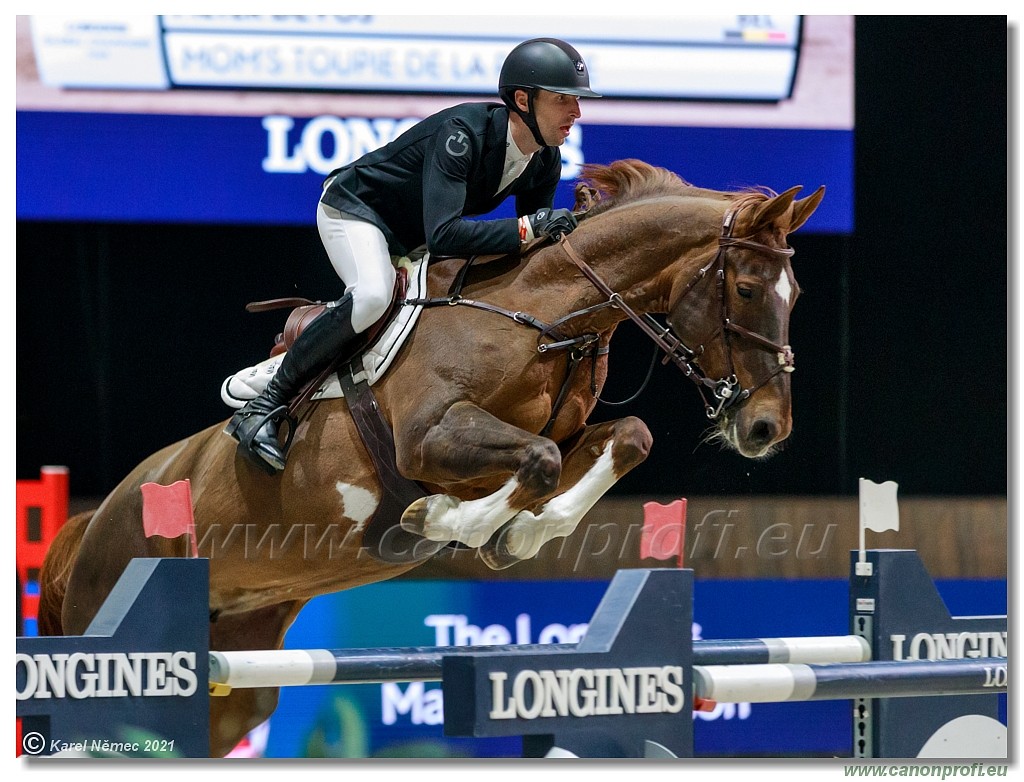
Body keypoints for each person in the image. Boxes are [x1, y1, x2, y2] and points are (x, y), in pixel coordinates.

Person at [226, 37, 600, 475]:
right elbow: (445, 236)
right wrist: (534, 227)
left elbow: (530, 248)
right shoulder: (461, 136)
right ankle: (263, 408)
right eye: (563, 100)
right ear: (523, 99)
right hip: (357, 210)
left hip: (411, 237)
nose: (576, 112)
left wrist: (577, 227)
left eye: (575, 101)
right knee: (371, 296)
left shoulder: (544, 158)